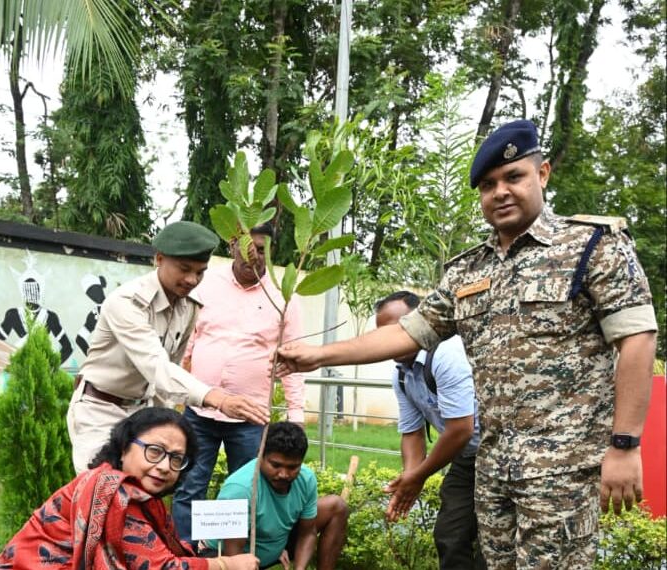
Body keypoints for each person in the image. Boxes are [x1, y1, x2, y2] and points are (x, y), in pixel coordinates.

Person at [274, 120, 658, 569]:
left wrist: (625, 445)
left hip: (562, 469)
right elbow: (407, 332)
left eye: (514, 177)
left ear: (543, 173)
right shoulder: (467, 271)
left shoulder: (592, 247)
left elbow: (637, 339)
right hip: (492, 468)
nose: (500, 192)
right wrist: (317, 357)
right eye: (488, 185)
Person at [67, 221, 269, 473]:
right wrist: (217, 398)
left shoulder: (189, 306)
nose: (192, 280)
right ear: (159, 259)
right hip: (100, 409)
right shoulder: (127, 303)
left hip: (143, 412)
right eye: (184, 269)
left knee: (144, 493)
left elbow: (168, 376)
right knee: (101, 490)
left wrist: (166, 425)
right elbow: (157, 367)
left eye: (200, 272)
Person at [0, 407, 260, 569]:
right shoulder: (111, 492)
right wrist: (226, 564)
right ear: (124, 447)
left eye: (176, 458)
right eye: (154, 451)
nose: (165, 466)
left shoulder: (136, 496)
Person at [173, 223, 305, 543]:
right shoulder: (207, 286)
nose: (254, 256)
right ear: (232, 244)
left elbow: (295, 360)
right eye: (248, 246)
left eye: (262, 249)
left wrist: (296, 416)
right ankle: (188, 558)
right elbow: (188, 344)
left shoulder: (283, 296)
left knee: (245, 492)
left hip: (250, 417)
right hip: (200, 410)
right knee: (188, 486)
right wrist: (178, 394)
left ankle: (236, 559)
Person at [375, 290, 485, 569]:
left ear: (420, 321)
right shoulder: (401, 374)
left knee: (493, 544)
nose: (389, 340)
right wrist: (410, 477)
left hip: (499, 453)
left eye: (397, 329)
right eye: (381, 333)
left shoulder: (447, 352)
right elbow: (412, 432)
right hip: (466, 457)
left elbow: (461, 429)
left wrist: (420, 475)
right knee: (450, 534)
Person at [200, 422, 348, 570]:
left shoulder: (306, 479)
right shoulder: (240, 489)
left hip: (276, 539)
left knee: (336, 507)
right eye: (276, 465)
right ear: (261, 455)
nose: (283, 474)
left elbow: (308, 533)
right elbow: (234, 557)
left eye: (292, 467)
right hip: (228, 555)